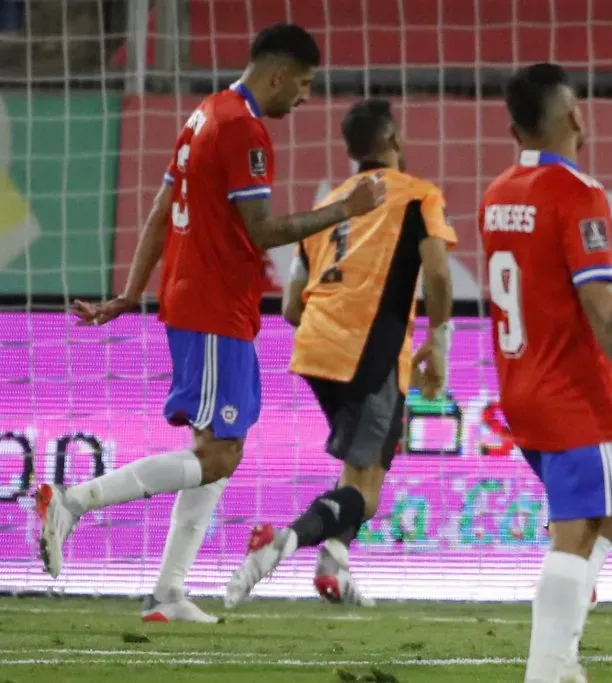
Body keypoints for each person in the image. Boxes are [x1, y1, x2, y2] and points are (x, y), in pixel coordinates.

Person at [43, 23, 386, 623]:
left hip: (211, 305)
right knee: (220, 454)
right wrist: (344, 209)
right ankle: (74, 501)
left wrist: (129, 291)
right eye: (303, 85)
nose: (304, 97)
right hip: (210, 308)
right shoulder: (241, 129)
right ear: (277, 75)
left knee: (219, 447)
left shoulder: (206, 113)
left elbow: (160, 206)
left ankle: (168, 592)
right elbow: (262, 231)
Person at [222, 98, 456, 609]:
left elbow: (288, 305)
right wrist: (438, 344)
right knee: (367, 490)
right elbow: (437, 272)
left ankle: (334, 569)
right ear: (394, 139)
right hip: (369, 350)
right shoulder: (418, 195)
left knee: (361, 468)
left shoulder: (332, 203)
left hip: (316, 346)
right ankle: (279, 544)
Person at [481, 63, 612, 683]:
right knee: (576, 529)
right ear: (573, 117)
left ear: (514, 128)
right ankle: (548, 668)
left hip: (517, 385)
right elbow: (599, 300)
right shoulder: (577, 191)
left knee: (606, 513)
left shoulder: (497, 193)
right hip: (568, 389)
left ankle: (563, 655)